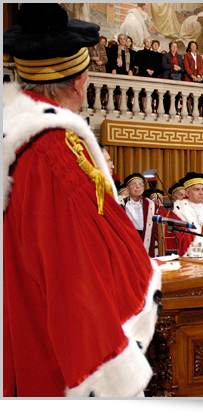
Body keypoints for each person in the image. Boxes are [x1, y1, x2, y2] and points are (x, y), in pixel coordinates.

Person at [3, 3, 161, 397]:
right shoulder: (59, 155)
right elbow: (80, 280)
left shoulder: (16, 140)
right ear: (79, 81)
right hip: (57, 357)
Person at [122, 173, 157, 258]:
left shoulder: (150, 205)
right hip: (128, 239)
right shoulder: (121, 203)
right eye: (134, 184)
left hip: (144, 238)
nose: (138, 186)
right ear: (127, 188)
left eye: (140, 184)